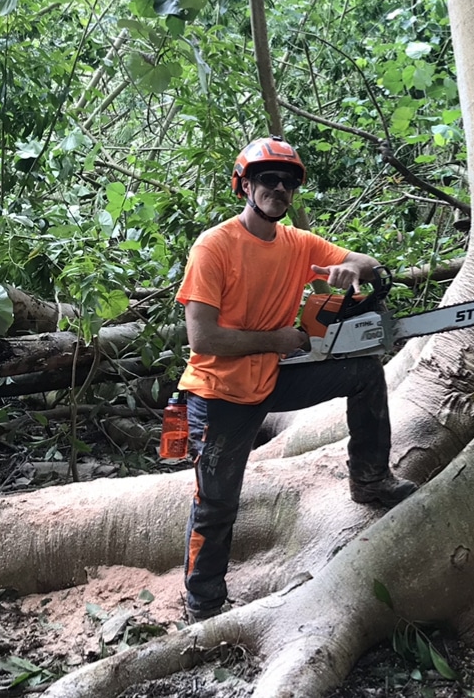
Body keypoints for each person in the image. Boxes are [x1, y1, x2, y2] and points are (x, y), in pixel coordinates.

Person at [174, 136, 417, 621]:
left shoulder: (298, 244)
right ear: (245, 185)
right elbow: (203, 338)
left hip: (270, 378)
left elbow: (368, 264)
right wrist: (277, 340)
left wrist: (351, 269)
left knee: (364, 373)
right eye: (269, 179)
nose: (279, 189)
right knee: (216, 504)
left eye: (288, 182)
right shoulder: (215, 245)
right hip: (219, 395)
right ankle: (203, 604)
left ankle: (370, 479)